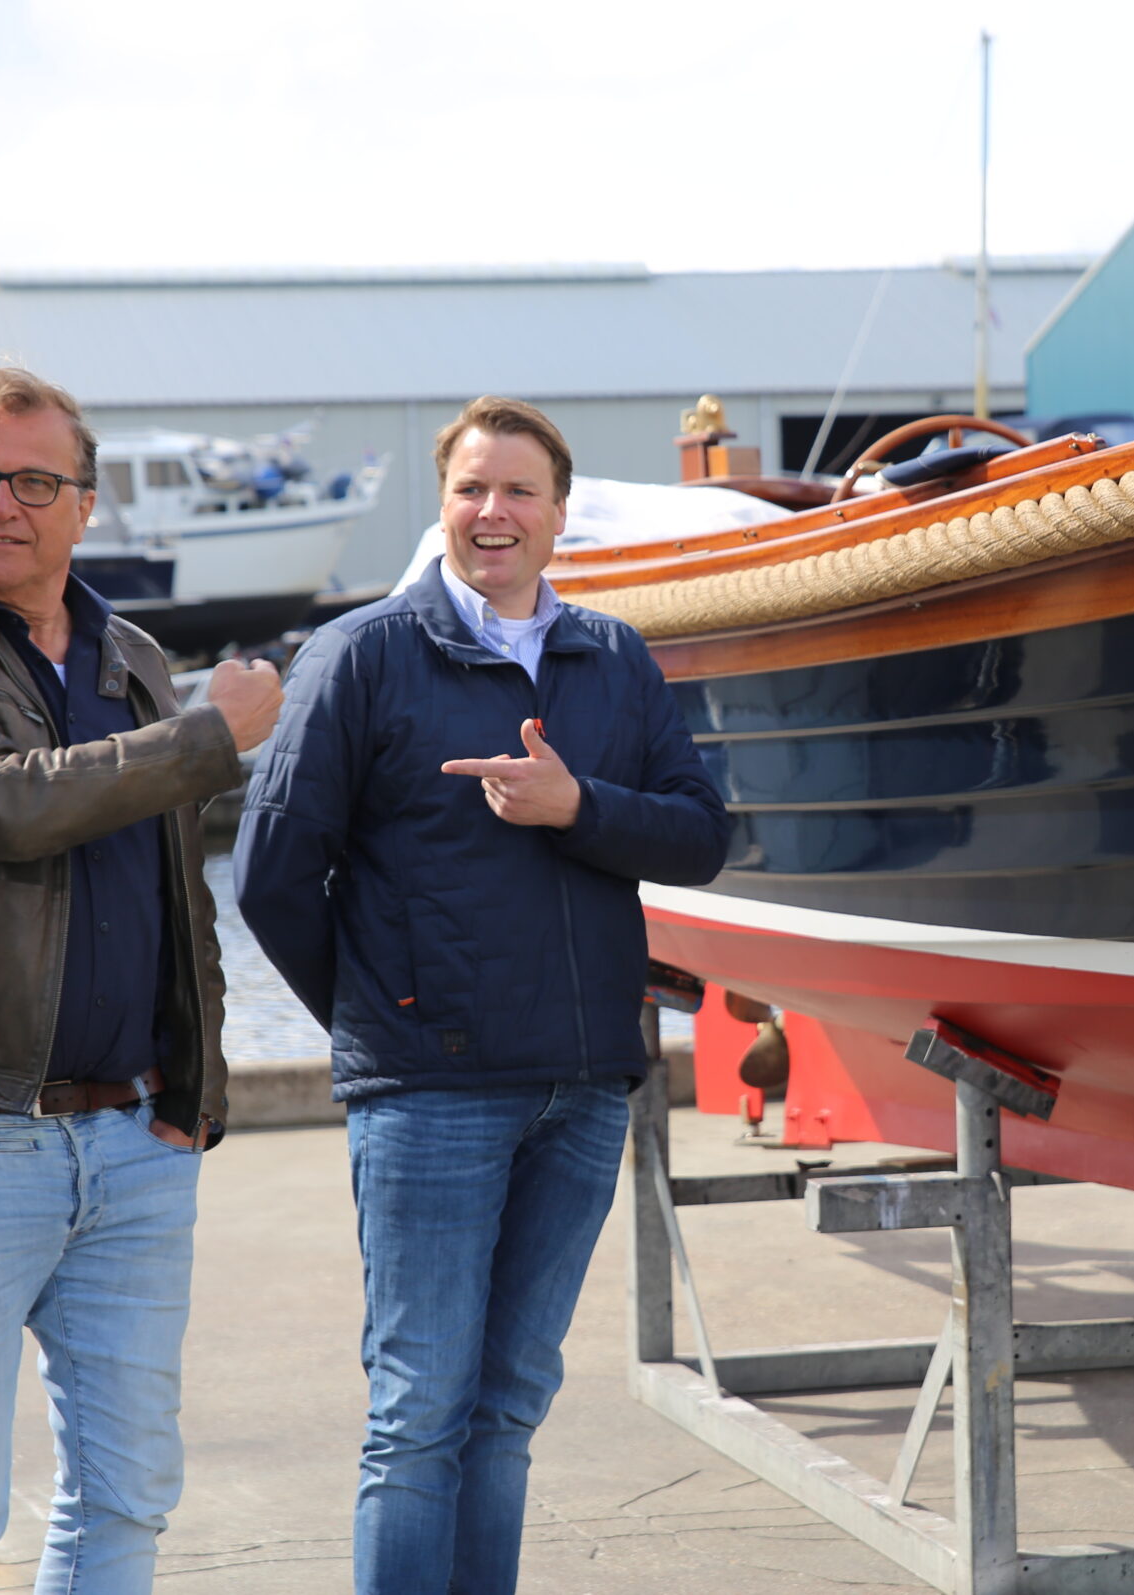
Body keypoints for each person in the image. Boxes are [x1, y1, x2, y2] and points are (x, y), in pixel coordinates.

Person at [235, 395, 730, 1594]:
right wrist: (387, 1015)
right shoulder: (360, 656)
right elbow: (271, 876)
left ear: (560, 517)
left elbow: (702, 836)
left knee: (507, 1408)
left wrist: (578, 807)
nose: (492, 511)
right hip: (431, 1091)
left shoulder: (613, 657)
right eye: (470, 489)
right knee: (418, 1414)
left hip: (585, 1088)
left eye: (518, 491)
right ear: (442, 505)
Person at [0, 365, 284, 1594]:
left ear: (85, 505)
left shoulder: (131, 657)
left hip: (134, 1146)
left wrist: (193, 1095)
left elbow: (178, 895)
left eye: (33, 482)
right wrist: (209, 734)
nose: (0, 504)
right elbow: (0, 804)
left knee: (127, 1499)